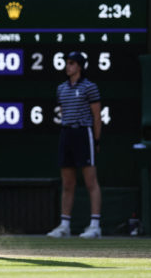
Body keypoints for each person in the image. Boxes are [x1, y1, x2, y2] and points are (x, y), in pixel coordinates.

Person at [47, 52, 103, 239]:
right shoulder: (61, 88)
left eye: (71, 63)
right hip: (67, 133)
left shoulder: (90, 87)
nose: (67, 66)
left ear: (79, 66)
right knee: (68, 182)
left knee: (90, 181)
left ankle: (95, 226)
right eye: (66, 63)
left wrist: (96, 140)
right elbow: (64, 113)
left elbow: (97, 116)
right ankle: (65, 226)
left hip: (83, 133)